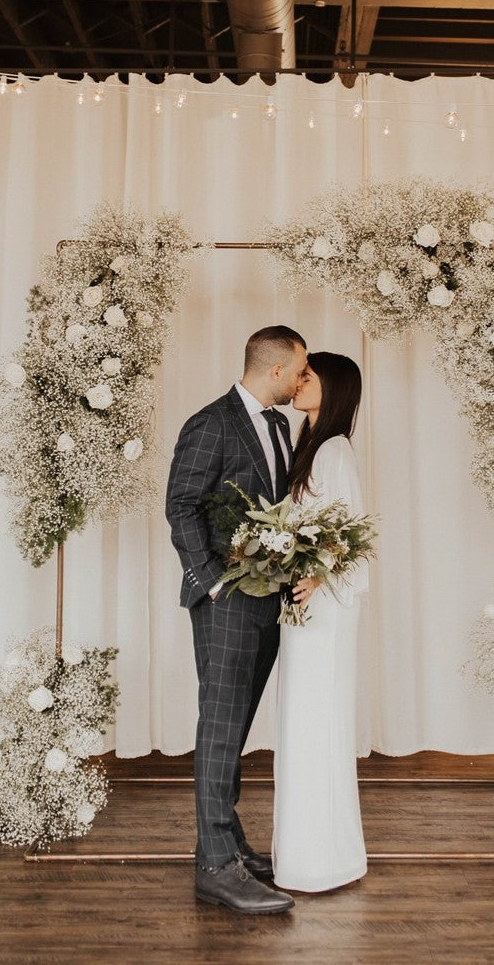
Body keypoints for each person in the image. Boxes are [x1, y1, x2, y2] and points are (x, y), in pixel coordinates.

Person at [166, 325, 308, 914]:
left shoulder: (281, 426)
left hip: (267, 601)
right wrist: (211, 583)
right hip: (226, 602)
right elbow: (181, 505)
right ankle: (215, 866)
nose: (303, 381)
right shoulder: (211, 422)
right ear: (275, 369)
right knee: (220, 727)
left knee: (237, 727)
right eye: (299, 371)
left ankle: (229, 842)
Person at [272, 351, 368, 893]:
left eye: (308, 377)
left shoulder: (335, 450)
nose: (298, 381)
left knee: (318, 720)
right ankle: (301, 855)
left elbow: (352, 533)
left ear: (331, 390)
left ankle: (323, 859)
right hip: (300, 601)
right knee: (298, 720)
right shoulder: (307, 446)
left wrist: (319, 575)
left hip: (323, 606)